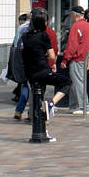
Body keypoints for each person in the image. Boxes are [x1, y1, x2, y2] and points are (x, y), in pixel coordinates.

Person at [22, 8, 70, 141]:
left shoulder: (25, 36)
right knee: (66, 83)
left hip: (31, 74)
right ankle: (51, 104)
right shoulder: (44, 35)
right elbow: (52, 55)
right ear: (43, 22)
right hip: (43, 71)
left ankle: (41, 132)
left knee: (38, 100)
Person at [15, 13, 57, 120]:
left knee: (27, 86)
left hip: (26, 64)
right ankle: (37, 114)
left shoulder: (23, 30)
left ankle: (21, 111)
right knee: (39, 90)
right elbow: (53, 51)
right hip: (41, 66)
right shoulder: (47, 32)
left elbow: (17, 45)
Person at [63, 6, 89, 114]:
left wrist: (65, 59)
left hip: (77, 58)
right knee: (76, 82)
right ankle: (74, 105)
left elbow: (72, 45)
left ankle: (84, 107)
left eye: (71, 14)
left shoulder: (76, 26)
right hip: (87, 58)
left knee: (78, 82)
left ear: (74, 14)